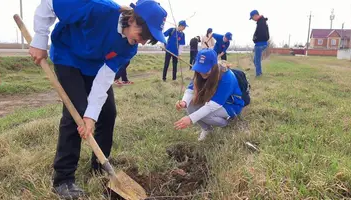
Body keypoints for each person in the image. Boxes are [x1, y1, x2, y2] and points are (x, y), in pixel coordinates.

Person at [29, 0, 167, 198]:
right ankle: (64, 179)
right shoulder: (97, 7)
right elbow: (50, 3)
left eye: (150, 39)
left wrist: (91, 117)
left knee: (108, 112)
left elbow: (104, 80)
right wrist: (39, 40)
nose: (144, 41)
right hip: (68, 57)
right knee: (75, 111)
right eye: (144, 35)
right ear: (134, 19)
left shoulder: (129, 48)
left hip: (95, 68)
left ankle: (99, 165)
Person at [174, 49, 245, 141]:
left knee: (204, 114)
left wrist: (191, 119)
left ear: (214, 66)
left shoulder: (227, 77)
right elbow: (190, 89)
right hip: (214, 100)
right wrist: (184, 102)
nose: (202, 73)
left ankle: (227, 123)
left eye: (205, 70)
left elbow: (213, 105)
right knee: (190, 106)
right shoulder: (199, 72)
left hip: (231, 104)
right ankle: (207, 129)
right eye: (200, 69)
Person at [250, 10, 270, 77]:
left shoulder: (261, 22)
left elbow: (262, 34)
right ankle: (259, 72)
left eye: (252, 18)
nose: (253, 20)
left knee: (257, 60)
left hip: (260, 44)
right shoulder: (261, 21)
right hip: (261, 43)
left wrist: (255, 38)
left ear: (255, 15)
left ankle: (258, 74)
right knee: (256, 60)